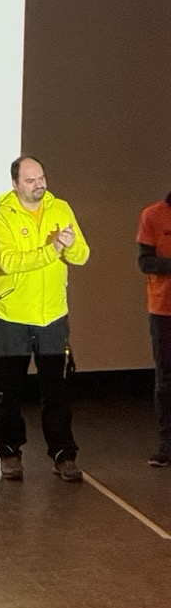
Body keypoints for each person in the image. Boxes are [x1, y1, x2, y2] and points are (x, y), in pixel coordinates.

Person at [0, 155, 89, 481]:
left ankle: (63, 455)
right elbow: (8, 261)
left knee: (57, 391)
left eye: (41, 178)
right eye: (30, 180)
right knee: (7, 392)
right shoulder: (2, 217)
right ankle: (10, 453)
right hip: (11, 317)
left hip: (52, 316)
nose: (39, 185)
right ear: (15, 184)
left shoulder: (60, 208)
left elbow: (82, 255)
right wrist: (52, 249)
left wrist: (69, 247)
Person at [135, 193, 171, 467]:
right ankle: (166, 444)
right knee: (166, 377)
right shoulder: (153, 214)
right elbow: (145, 262)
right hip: (164, 309)